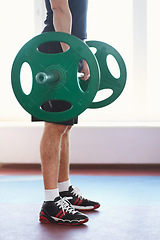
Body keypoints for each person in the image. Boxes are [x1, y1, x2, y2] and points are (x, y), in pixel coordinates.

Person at [33, 0, 100, 225]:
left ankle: (64, 191)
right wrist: (72, 56)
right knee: (54, 124)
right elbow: (59, 10)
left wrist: (80, 52)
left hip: (68, 45)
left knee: (65, 125)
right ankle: (51, 203)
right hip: (57, 49)